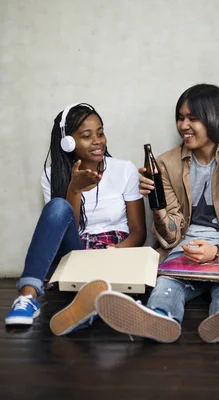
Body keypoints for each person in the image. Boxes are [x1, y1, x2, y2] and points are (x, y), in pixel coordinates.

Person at [95, 84, 219, 343]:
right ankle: (158, 319)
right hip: (183, 249)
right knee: (166, 285)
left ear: (215, 117)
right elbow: (171, 233)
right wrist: (157, 205)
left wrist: (217, 251)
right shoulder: (165, 164)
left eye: (193, 118)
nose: (183, 125)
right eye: (180, 117)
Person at [5, 103, 146, 335]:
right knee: (58, 206)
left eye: (100, 133)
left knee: (106, 284)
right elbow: (70, 227)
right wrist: (75, 190)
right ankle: (27, 297)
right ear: (68, 142)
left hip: (116, 251)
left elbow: (139, 233)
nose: (98, 141)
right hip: (76, 252)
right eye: (87, 136)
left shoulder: (124, 170)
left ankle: (87, 308)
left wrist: (116, 251)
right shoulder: (52, 175)